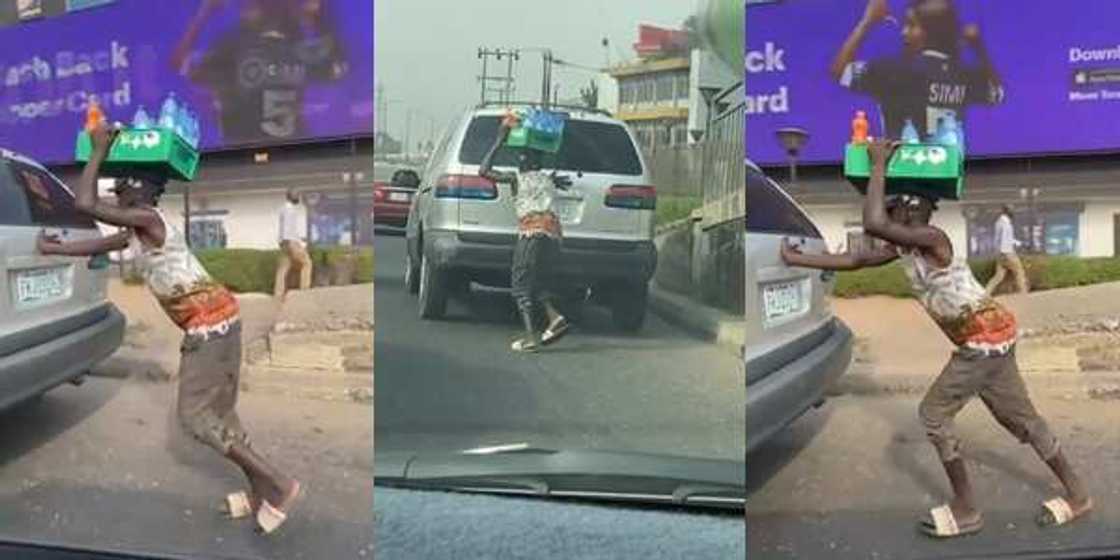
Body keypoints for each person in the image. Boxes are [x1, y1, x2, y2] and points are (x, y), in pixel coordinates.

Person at [779, 139, 1091, 538]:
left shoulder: (933, 238)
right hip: (992, 339)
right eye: (906, 205)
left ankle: (967, 510)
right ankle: (1078, 494)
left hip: (981, 343)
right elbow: (856, 258)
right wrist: (798, 259)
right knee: (1022, 420)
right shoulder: (905, 247)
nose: (912, 211)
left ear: (924, 213)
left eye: (917, 206)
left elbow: (874, 224)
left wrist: (878, 165)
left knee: (934, 415)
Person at [37, 124, 302, 535]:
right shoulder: (139, 228)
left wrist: (99, 151)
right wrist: (58, 249)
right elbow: (100, 244)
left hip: (209, 327)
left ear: (137, 191)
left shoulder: (146, 217)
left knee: (195, 419)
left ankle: (280, 485)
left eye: (121, 187)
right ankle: (258, 494)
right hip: (223, 319)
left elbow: (85, 202)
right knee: (222, 416)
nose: (116, 194)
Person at [171, 0, 348, 145]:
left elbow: (338, 69)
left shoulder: (294, 45)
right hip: (251, 155)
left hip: (286, 154)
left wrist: (205, 13)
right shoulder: (236, 46)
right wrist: (204, 14)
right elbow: (180, 64)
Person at [831, 0, 1004, 139]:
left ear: (932, 32)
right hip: (947, 178)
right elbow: (997, 93)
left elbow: (839, 72)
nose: (904, 32)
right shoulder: (963, 75)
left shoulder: (892, 71)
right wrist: (979, 48)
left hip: (900, 177)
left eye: (912, 25)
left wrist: (867, 22)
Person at [479, 112, 571, 352]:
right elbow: (554, 182)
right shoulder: (548, 179)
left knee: (520, 286)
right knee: (537, 284)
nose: (518, 160)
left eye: (521, 157)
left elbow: (484, 170)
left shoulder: (516, 178)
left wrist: (499, 140)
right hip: (553, 237)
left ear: (525, 160)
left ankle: (532, 337)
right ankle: (555, 319)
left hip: (531, 234)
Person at [275, 188, 313, 300]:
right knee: (307, 263)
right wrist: (295, 243)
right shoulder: (290, 210)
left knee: (283, 268)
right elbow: (288, 228)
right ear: (292, 197)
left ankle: (278, 294)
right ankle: (304, 292)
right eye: (297, 196)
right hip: (291, 241)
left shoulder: (282, 209)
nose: (298, 198)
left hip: (283, 242)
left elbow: (285, 229)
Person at [986, 204, 1028, 295]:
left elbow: (1004, 238)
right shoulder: (1005, 223)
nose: (1013, 212)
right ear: (1008, 211)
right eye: (1012, 210)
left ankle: (985, 293)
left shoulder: (999, 222)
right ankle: (1024, 294)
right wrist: (1007, 254)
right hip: (1007, 252)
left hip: (999, 253)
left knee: (998, 276)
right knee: (1019, 271)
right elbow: (1005, 239)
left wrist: (1019, 243)